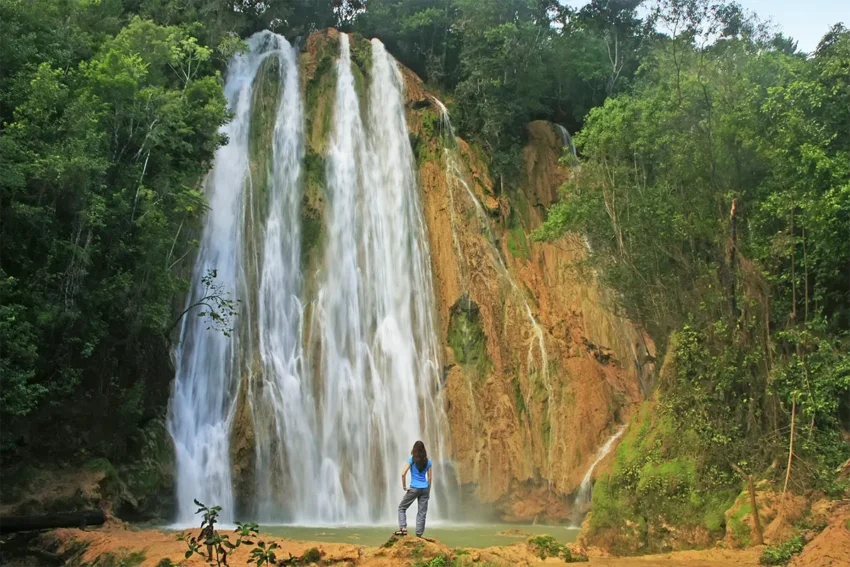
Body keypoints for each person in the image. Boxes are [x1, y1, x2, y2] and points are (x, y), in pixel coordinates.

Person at [395, 440, 432, 537]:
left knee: (402, 508)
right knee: (422, 512)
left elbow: (403, 473)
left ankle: (403, 529)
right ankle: (419, 535)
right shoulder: (428, 462)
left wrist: (404, 487)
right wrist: (428, 490)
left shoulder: (411, 460)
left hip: (414, 488)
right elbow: (430, 478)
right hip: (424, 489)